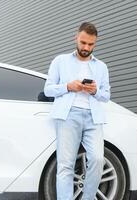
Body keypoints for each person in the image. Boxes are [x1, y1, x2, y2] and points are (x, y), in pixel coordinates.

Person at [44, 22, 110, 200]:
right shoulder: (60, 61)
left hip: (93, 118)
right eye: (83, 42)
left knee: (97, 159)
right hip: (68, 115)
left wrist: (95, 90)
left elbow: (106, 96)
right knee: (65, 165)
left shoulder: (101, 67)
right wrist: (68, 86)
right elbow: (48, 89)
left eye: (91, 44)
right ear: (76, 37)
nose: (86, 47)